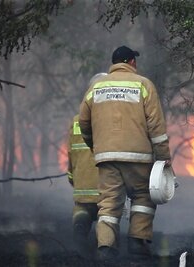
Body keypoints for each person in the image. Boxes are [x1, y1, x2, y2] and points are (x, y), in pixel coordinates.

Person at [78, 45, 171, 260]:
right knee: (143, 196)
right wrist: (164, 159)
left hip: (106, 157)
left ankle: (105, 248)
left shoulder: (96, 87)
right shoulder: (144, 85)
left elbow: (83, 121)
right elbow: (156, 126)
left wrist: (96, 146)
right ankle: (137, 242)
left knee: (109, 202)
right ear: (131, 62)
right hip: (139, 157)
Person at [67, 73, 107, 258]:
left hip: (81, 184)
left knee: (81, 211)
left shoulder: (76, 121)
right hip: (105, 184)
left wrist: (71, 176)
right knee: (107, 217)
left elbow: (71, 153)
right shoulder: (111, 121)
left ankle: (80, 229)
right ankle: (105, 252)